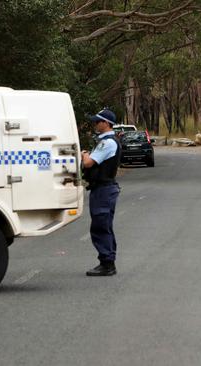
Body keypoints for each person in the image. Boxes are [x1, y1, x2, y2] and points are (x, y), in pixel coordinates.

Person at [81, 108, 122, 276]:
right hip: (104, 188)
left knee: (100, 226)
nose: (95, 124)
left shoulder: (108, 142)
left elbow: (89, 163)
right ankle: (107, 260)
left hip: (103, 189)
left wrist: (84, 154)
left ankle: (107, 263)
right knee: (104, 225)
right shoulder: (106, 141)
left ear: (106, 123)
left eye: (97, 122)